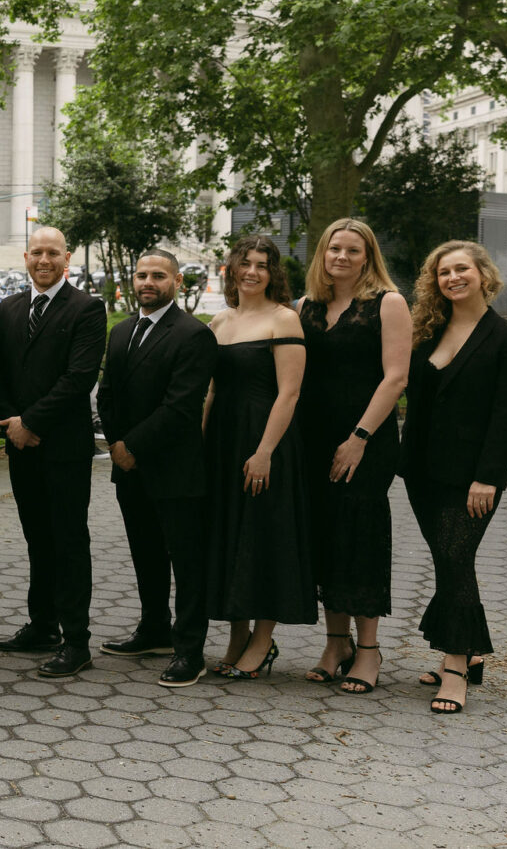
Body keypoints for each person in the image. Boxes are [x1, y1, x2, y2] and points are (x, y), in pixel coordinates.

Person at [401, 242, 507, 713]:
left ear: (482, 274)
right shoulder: (428, 329)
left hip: (472, 477)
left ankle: (454, 667)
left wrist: (488, 477)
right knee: (452, 561)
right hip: (420, 471)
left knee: (454, 558)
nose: (453, 277)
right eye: (444, 272)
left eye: (461, 269)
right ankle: (470, 654)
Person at [96, 249, 219, 687]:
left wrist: (133, 446)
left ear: (177, 282)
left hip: (175, 469)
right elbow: (106, 393)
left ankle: (190, 650)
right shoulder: (122, 330)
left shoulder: (194, 334)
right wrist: (115, 444)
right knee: (145, 553)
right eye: (142, 275)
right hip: (128, 466)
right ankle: (154, 630)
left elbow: (182, 406)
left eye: (159, 276)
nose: (148, 282)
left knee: (186, 562)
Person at [0, 225, 106, 677]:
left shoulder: (87, 308)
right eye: (36, 252)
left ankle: (76, 641)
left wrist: (31, 422)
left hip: (64, 448)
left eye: (52, 253)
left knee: (69, 541)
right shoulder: (12, 307)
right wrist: (12, 422)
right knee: (37, 537)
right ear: (25, 256)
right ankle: (42, 626)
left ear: (66, 258)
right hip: (22, 447)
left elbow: (79, 378)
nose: (43, 260)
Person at [297, 218, 409, 694]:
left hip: (367, 440)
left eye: (353, 251)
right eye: (334, 249)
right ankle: (334, 643)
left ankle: (368, 651)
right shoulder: (305, 307)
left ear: (369, 257)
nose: (342, 257)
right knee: (326, 537)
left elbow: (396, 378)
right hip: (312, 441)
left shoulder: (389, 304)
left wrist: (360, 436)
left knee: (359, 538)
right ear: (323, 254)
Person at [202, 237, 315, 681]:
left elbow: (290, 392)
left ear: (274, 274)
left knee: (264, 537)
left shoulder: (283, 318)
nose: (252, 271)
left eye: (262, 265)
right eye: (244, 263)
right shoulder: (219, 321)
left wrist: (264, 452)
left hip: (266, 442)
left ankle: (263, 640)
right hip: (224, 444)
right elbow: (211, 391)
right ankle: (236, 635)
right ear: (231, 268)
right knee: (232, 536)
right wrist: (203, 442)